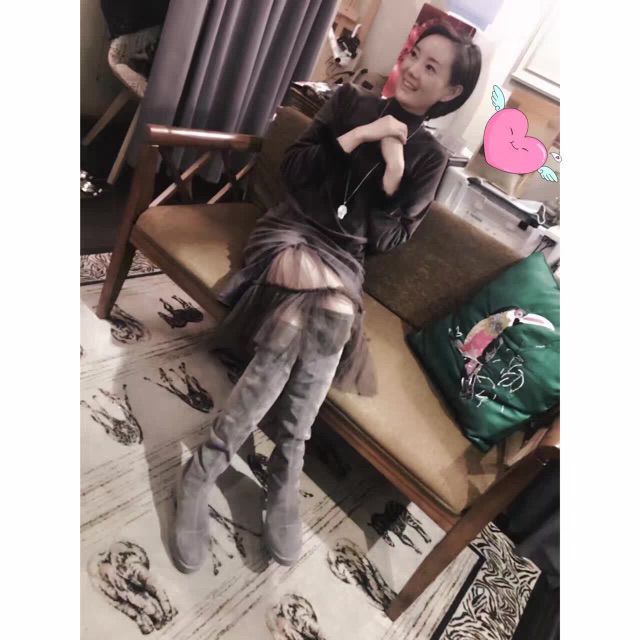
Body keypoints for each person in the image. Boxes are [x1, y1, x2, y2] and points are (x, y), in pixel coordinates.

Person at [170, 20, 482, 573]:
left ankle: (224, 467)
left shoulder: (429, 158)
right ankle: (261, 472)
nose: (412, 68)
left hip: (343, 258)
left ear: (451, 91)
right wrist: (358, 137)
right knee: (329, 309)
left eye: (431, 67)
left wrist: (393, 173)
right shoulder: (347, 102)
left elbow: (386, 242)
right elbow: (294, 173)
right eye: (415, 54)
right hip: (289, 231)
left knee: (322, 312)